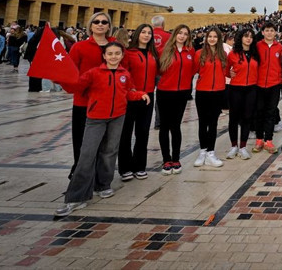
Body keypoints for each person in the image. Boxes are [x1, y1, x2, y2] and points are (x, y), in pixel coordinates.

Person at [55, 42, 150, 217]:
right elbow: (75, 87)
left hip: (117, 117)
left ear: (122, 56)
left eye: (117, 53)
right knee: (87, 155)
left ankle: (103, 184)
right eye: (110, 54)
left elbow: (127, 92)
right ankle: (76, 196)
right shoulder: (93, 73)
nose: (113, 56)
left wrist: (139, 94)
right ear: (104, 56)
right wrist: (60, 78)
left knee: (110, 151)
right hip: (96, 118)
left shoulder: (124, 74)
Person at [69, 13, 115, 177]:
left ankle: (99, 176)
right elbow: (70, 73)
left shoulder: (115, 46)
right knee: (82, 142)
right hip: (85, 102)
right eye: (96, 22)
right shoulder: (80, 47)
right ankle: (79, 174)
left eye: (104, 22)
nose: (100, 24)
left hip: (109, 102)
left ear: (109, 26)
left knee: (105, 143)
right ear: (90, 26)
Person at [118, 24, 159, 180]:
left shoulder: (152, 54)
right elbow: (124, 74)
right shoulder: (128, 53)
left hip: (147, 97)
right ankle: (125, 168)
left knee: (142, 132)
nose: (146, 35)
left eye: (149, 33)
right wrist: (133, 91)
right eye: (143, 32)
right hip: (131, 96)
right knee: (126, 133)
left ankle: (139, 166)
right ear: (137, 34)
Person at [157, 24, 194, 175]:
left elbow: (193, 70)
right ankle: (166, 159)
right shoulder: (163, 51)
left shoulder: (190, 51)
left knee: (176, 125)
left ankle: (176, 158)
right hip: (165, 92)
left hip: (182, 93)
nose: (182, 36)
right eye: (180, 33)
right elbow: (157, 70)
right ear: (175, 34)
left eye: (185, 34)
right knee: (165, 126)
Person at [193, 27, 226, 168]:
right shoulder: (199, 54)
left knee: (213, 123)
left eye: (215, 37)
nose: (212, 39)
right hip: (202, 92)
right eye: (210, 36)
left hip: (218, 92)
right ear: (206, 38)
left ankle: (211, 152)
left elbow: (229, 71)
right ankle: (202, 151)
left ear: (219, 39)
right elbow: (192, 70)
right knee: (202, 123)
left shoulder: (223, 54)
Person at [225, 28, 258, 159]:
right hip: (236, 89)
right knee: (233, 118)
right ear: (241, 38)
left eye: (250, 36)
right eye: (246, 36)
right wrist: (230, 74)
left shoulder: (255, 53)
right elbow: (226, 69)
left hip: (251, 88)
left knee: (247, 117)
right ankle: (234, 146)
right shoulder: (233, 54)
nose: (248, 39)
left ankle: (243, 146)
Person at [253, 22, 282, 154]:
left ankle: (268, 140)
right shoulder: (257, 46)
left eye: (272, 30)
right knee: (259, 112)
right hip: (258, 84)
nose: (269, 33)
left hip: (274, 85)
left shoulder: (280, 47)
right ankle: (259, 139)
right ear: (263, 32)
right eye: (267, 30)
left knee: (271, 113)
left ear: (275, 32)